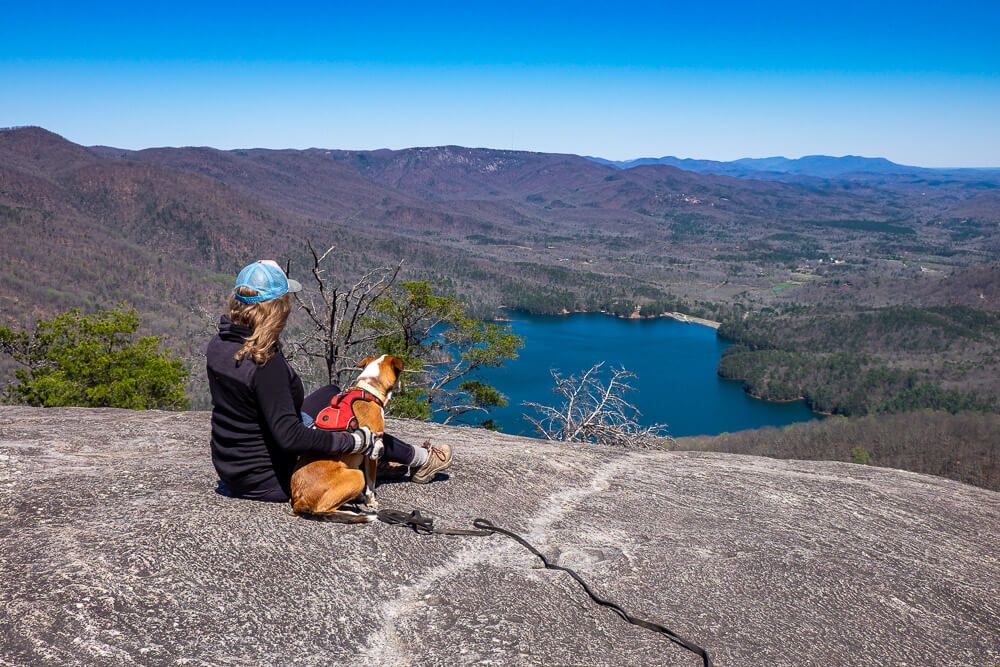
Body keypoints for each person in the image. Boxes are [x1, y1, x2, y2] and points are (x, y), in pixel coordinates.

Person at [206, 259, 452, 502]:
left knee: (332, 393)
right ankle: (420, 459)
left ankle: (369, 458)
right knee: (361, 426)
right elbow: (290, 438)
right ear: (276, 308)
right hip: (269, 476)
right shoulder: (264, 363)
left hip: (232, 468)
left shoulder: (220, 344)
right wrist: (351, 441)